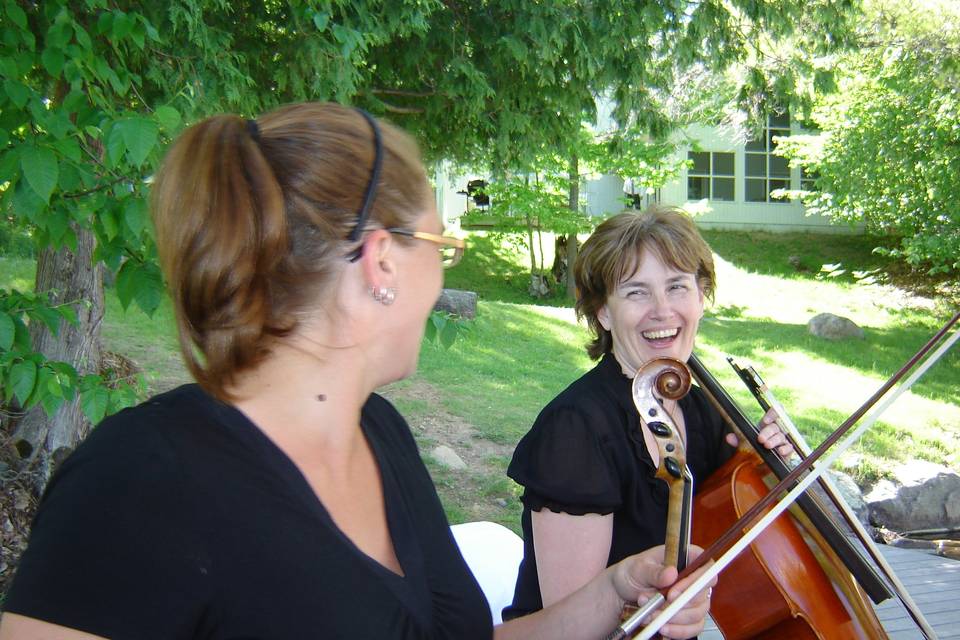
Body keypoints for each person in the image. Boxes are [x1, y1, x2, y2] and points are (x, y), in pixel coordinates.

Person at [0, 104, 713, 640]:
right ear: (382, 264)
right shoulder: (138, 480)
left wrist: (612, 589)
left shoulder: (378, 433)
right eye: (443, 242)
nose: (442, 273)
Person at [504, 205, 793, 621]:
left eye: (677, 287)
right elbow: (567, 621)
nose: (662, 310)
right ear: (603, 312)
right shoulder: (576, 430)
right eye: (636, 292)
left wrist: (768, 468)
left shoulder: (703, 411)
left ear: (701, 298)